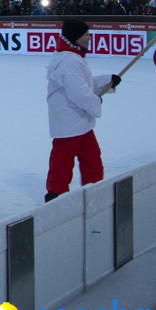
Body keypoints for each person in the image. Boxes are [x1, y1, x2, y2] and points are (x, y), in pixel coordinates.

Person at [44, 19, 121, 202]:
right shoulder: (68, 60)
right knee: (62, 163)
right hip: (69, 121)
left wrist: (107, 81)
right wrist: (96, 100)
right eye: (86, 34)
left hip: (80, 121)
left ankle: (94, 192)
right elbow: (79, 93)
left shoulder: (72, 57)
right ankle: (55, 197)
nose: (89, 37)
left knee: (92, 159)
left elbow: (83, 84)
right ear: (76, 37)